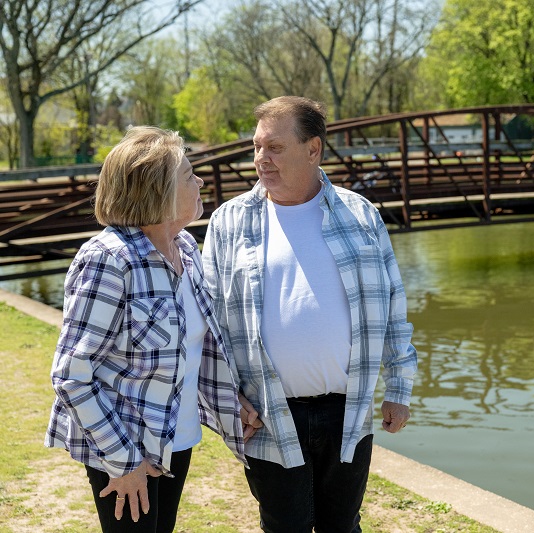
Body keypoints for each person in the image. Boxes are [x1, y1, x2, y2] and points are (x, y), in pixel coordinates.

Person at [202, 96, 417, 533]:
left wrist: (399, 386)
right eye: (258, 147)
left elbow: (393, 303)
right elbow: (209, 325)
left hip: (349, 410)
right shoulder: (229, 222)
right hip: (268, 415)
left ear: (313, 149)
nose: (261, 159)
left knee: (343, 526)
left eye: (275, 148)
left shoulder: (361, 215)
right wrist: (225, 399)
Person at [45, 126, 259, 532]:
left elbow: (193, 350)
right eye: (187, 174)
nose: (199, 181)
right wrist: (123, 462)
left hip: (177, 440)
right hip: (124, 449)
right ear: (155, 190)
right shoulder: (108, 259)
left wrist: (233, 402)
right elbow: (71, 375)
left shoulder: (188, 250)